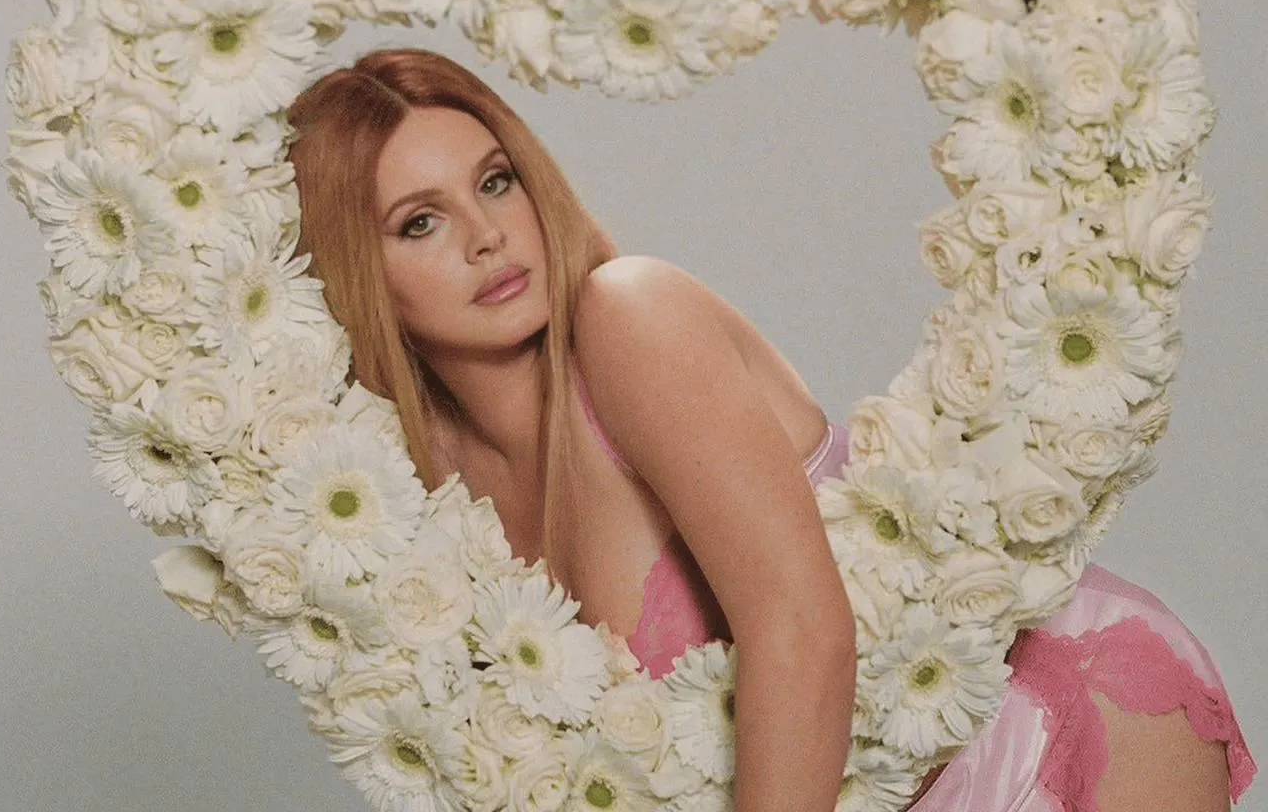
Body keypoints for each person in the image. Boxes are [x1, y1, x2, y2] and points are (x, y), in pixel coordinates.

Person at [284, 47, 1257, 812]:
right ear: (351, 271)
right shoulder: (415, 492)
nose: (486, 233)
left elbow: (800, 629)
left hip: (1054, 726)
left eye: (495, 181)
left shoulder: (629, 317)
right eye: (418, 222)